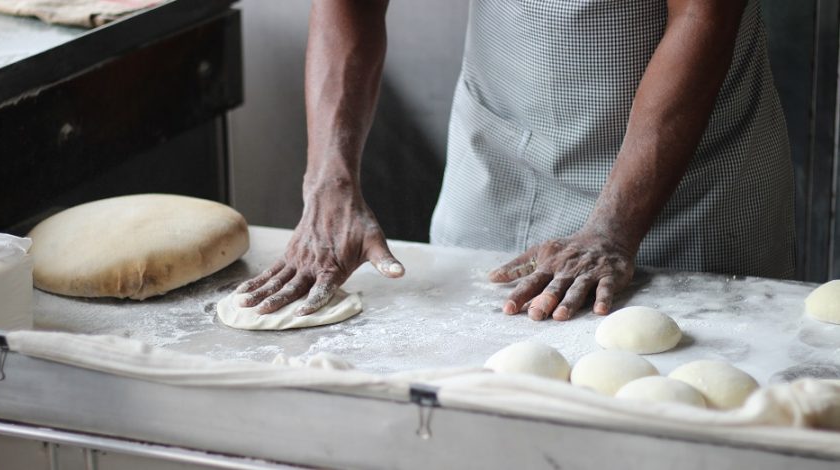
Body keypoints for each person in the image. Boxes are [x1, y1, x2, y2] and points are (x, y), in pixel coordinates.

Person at [235, 0, 795, 322]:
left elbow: (704, 13)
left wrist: (615, 227)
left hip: (687, 184)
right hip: (500, 151)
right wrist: (328, 181)